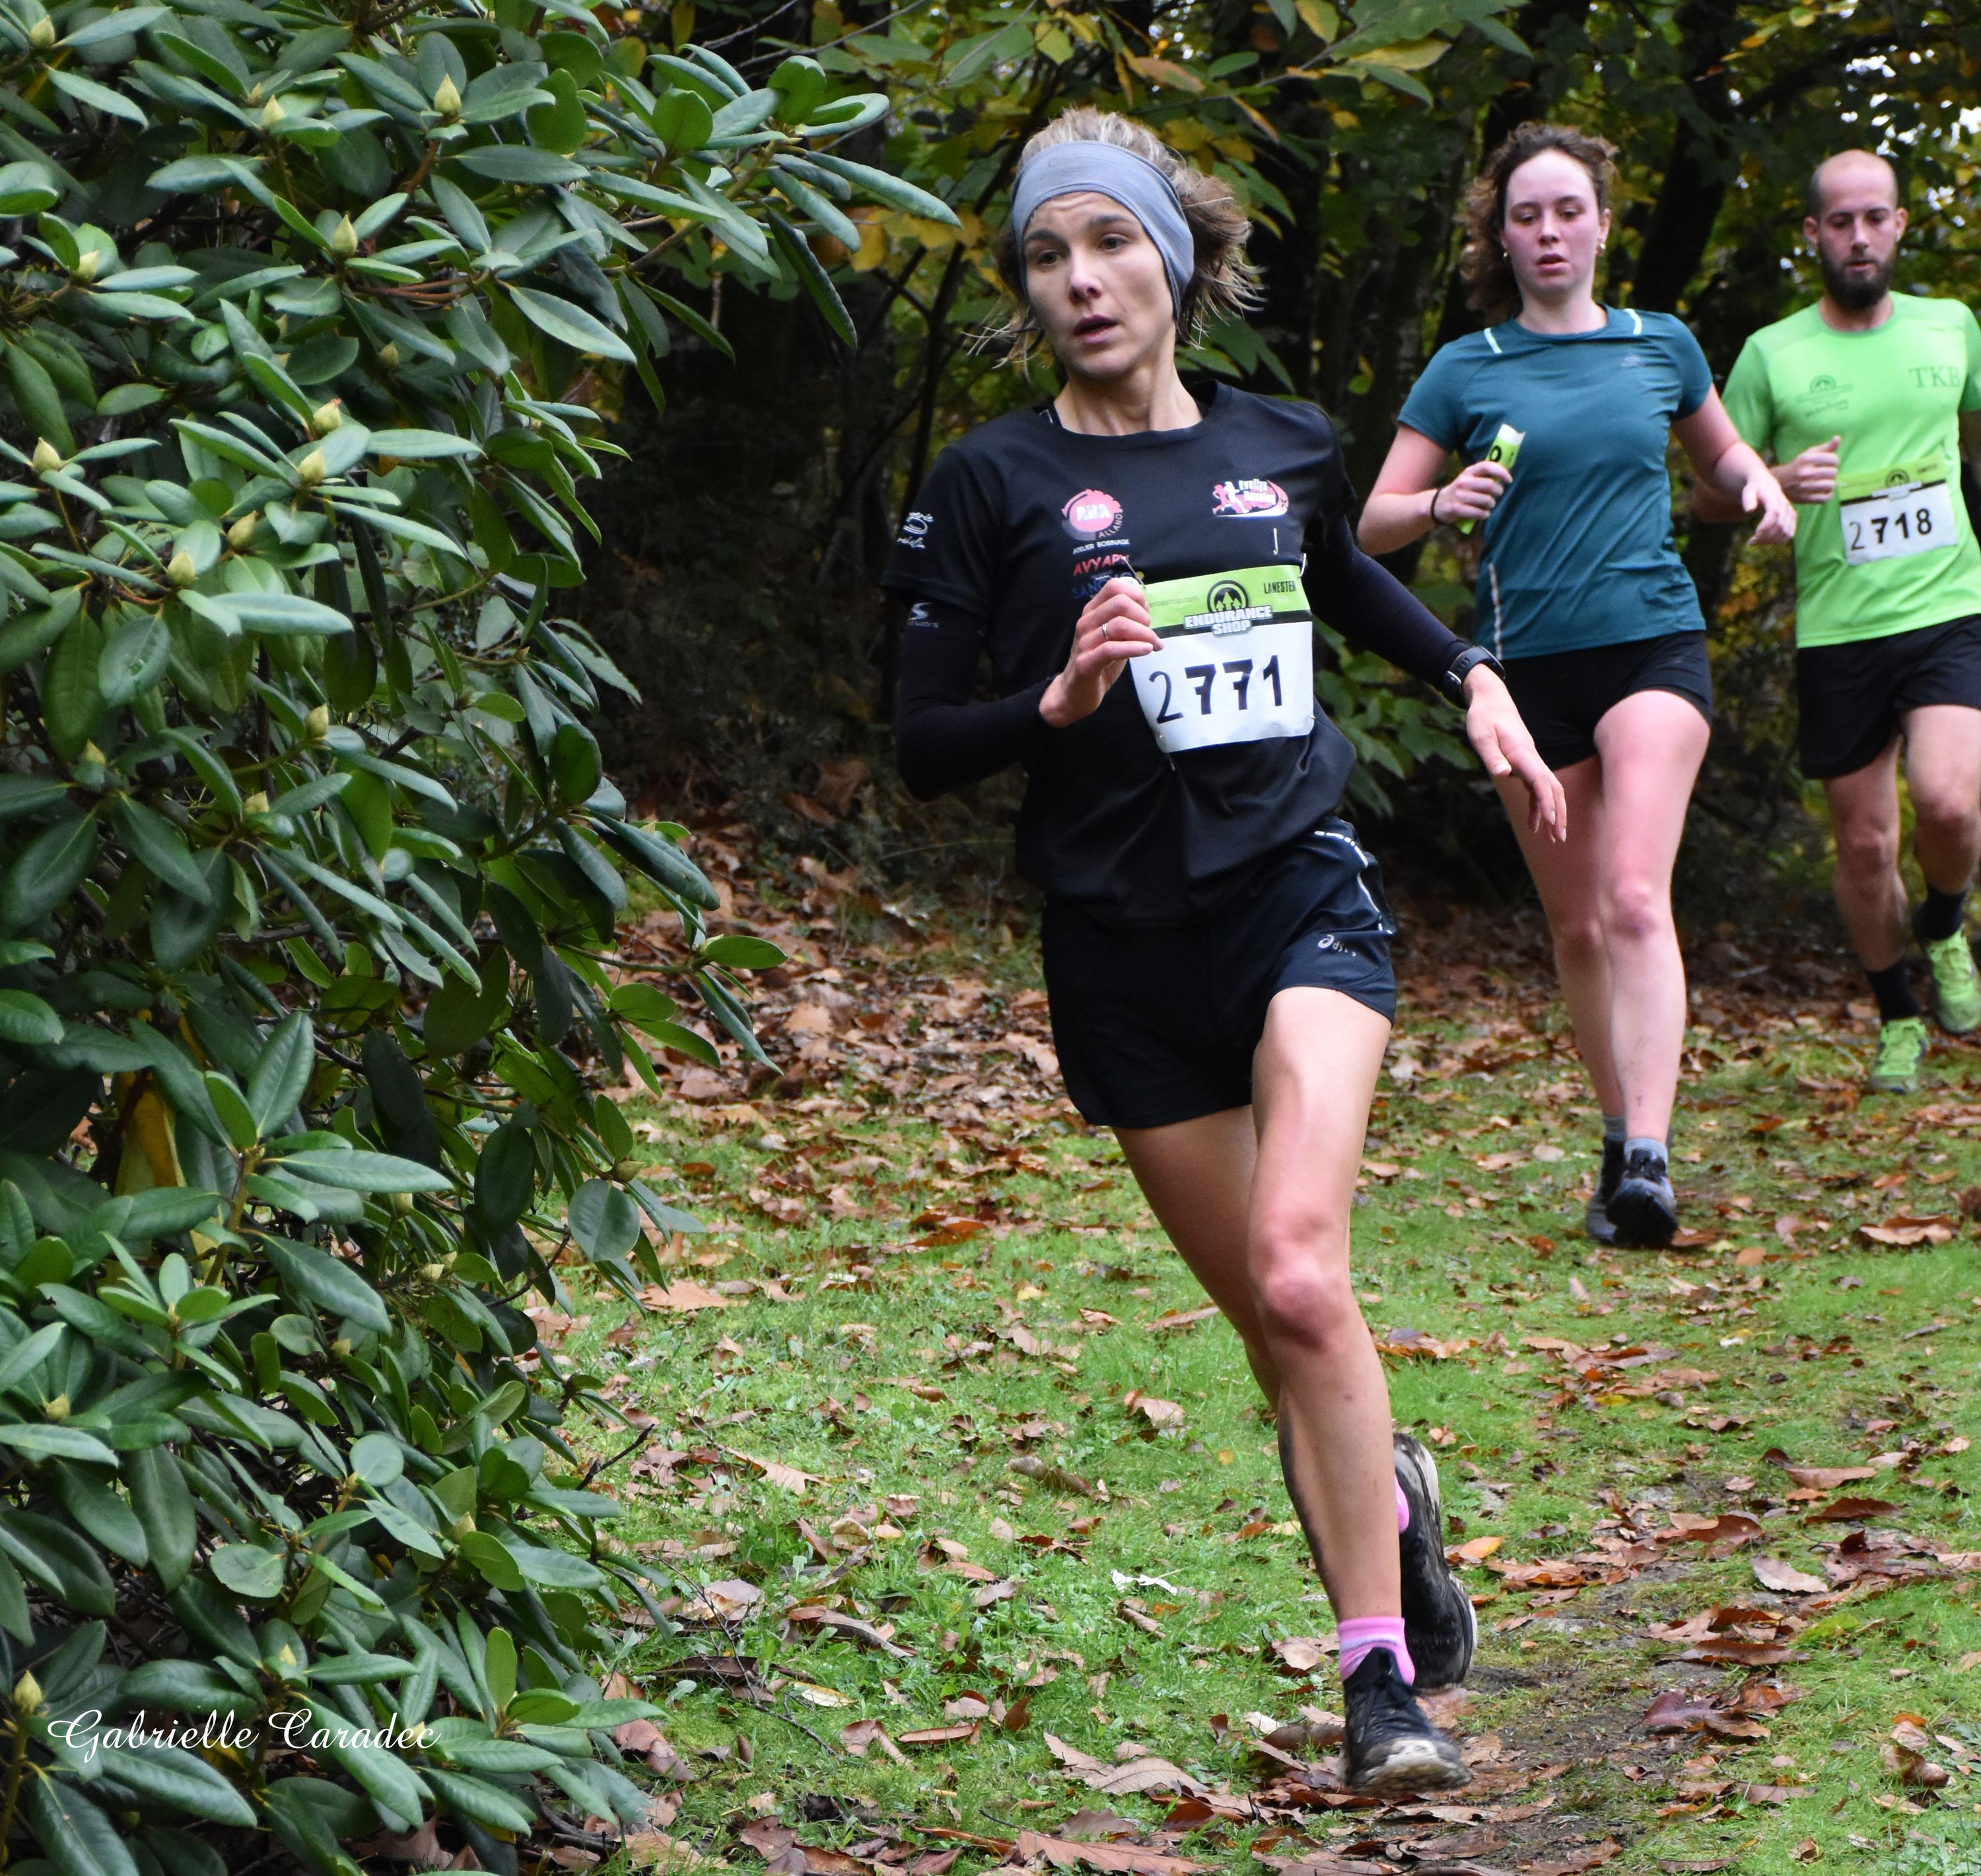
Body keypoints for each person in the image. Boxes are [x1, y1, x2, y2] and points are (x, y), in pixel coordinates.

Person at [884, 105, 1568, 1796]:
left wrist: (1471, 676)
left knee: (1300, 1270)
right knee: (1280, 1337)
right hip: (1119, 941)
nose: (1080, 278)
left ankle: (1378, 1686)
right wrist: (1055, 702)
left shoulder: (1283, 441)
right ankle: (1389, 1498)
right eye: (1047, 253)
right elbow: (920, 741)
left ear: (1174, 260)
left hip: (1292, 890)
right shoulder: (988, 481)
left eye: (1111, 240)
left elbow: (1342, 579)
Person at [1358, 123, 1795, 1249]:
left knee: (1636, 895)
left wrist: (1758, 483)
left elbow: (1719, 455)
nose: (1549, 231)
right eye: (1526, 215)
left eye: (1568, 211)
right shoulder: (1467, 368)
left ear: (1603, 223)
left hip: (1653, 646)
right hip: (1523, 674)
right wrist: (1438, 503)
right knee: (1580, 924)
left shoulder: (1661, 343)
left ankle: (1649, 1157)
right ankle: (1615, 1133)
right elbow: (1369, 526)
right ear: (1500, 238)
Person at [1694, 149, 1981, 1094]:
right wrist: (1773, 481)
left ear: (1900, 225)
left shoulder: (1952, 326)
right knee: (1863, 846)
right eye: (1841, 222)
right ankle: (1897, 1014)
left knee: (1949, 802)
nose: (1860, 237)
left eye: (1876, 218)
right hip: (1839, 629)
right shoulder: (1772, 355)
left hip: (1948, 606)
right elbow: (1708, 494)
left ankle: (1945, 923)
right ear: (1813, 234)